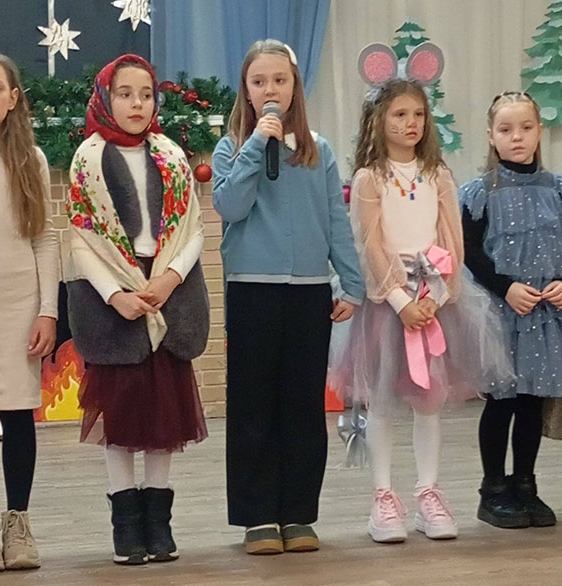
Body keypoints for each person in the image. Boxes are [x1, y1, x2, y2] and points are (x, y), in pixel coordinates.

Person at [341, 43, 513, 544]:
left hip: (435, 302)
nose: (410, 123)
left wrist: (436, 295)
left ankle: (428, 494)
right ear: (378, 120)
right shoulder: (370, 178)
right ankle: (383, 498)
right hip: (387, 305)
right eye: (399, 114)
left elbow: (451, 242)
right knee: (382, 402)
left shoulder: (438, 175)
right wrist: (401, 301)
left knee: (430, 402)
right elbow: (370, 244)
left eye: (418, 114)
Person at [212, 39, 364, 555]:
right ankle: (258, 516)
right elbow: (230, 206)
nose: (270, 89)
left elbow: (336, 220)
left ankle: (298, 513)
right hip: (252, 292)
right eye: (259, 81)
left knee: (302, 407)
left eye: (279, 80)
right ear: (246, 89)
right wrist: (257, 144)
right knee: (253, 405)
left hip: (307, 293)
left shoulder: (318, 149)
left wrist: (352, 283)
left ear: (295, 85)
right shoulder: (232, 147)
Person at [65, 54, 208, 565]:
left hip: (166, 289)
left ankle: (158, 523)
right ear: (106, 98)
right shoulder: (88, 159)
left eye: (146, 94)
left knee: (166, 418)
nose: (136, 104)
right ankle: (125, 525)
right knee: (121, 418)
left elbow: (192, 228)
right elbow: (81, 237)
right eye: (125, 94)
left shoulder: (171, 156)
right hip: (115, 297)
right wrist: (115, 293)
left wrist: (170, 277)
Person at [0, 48, 59, 573]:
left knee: (19, 413)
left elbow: (44, 238)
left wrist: (47, 311)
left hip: (19, 303)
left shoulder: (31, 159)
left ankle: (18, 522)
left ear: (14, 97)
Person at [460, 91, 559, 529]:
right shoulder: (480, 193)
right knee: (501, 402)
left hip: (543, 315)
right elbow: (469, 252)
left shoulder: (557, 190)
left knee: (532, 403)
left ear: (539, 131)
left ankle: (525, 485)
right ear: (491, 136)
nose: (516, 137)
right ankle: (493, 489)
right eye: (506, 129)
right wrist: (506, 287)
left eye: (525, 128)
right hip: (501, 313)